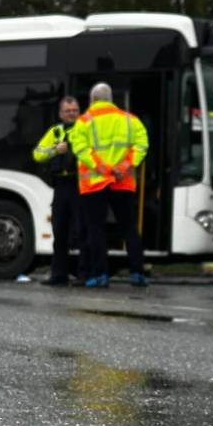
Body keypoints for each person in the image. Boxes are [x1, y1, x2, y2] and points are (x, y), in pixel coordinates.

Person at [69, 82, 148, 288]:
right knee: (129, 228)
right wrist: (125, 166)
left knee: (96, 229)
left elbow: (81, 149)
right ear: (111, 99)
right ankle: (137, 273)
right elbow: (142, 144)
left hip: (95, 184)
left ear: (93, 100)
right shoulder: (130, 120)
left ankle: (100, 275)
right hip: (123, 182)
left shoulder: (83, 122)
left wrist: (104, 168)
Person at [32, 95, 87, 285]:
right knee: (59, 230)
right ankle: (59, 274)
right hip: (61, 186)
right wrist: (56, 150)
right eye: (68, 111)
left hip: (79, 184)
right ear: (60, 114)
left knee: (82, 231)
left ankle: (84, 274)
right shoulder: (55, 131)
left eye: (75, 110)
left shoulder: (85, 129)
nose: (72, 114)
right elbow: (37, 154)